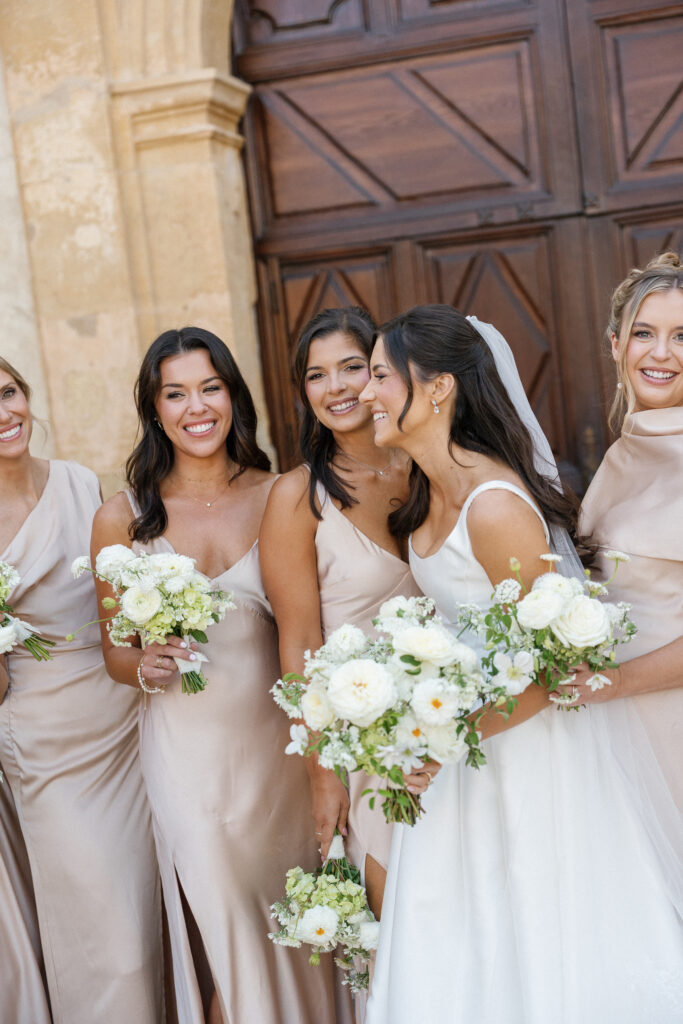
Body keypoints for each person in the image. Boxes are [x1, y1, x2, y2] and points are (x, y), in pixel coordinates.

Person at [359, 306, 683, 1024]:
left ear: (437, 388)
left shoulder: (493, 507)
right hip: (464, 751)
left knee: (537, 942)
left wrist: (444, 739)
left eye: (381, 375)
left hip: (523, 753)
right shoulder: (426, 495)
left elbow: (552, 671)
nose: (365, 391)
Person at [92, 327, 341, 1024]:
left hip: (282, 751)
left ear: (234, 395)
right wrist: (143, 664)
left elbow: (307, 630)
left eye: (210, 387)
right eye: (175, 394)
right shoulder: (121, 518)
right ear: (154, 409)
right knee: (232, 935)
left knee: (305, 926)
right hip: (189, 762)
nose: (196, 407)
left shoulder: (282, 495)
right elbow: (115, 653)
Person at [0, 358, 163, 1024]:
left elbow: (115, 606)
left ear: (26, 395)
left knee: (150, 916)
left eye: (8, 393)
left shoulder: (77, 481)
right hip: (45, 744)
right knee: (105, 937)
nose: (4, 414)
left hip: (126, 718)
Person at [260, 307, 421, 924]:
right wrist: (322, 770)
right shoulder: (298, 496)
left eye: (352, 367)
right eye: (316, 375)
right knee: (396, 915)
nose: (336, 388)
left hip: (448, 721)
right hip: (362, 739)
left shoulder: (428, 467)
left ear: (382, 370)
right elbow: (298, 639)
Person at [576, 250, 683, 862]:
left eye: (680, 336)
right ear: (616, 344)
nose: (661, 353)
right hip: (619, 733)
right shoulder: (622, 452)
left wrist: (610, 684)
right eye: (644, 333)